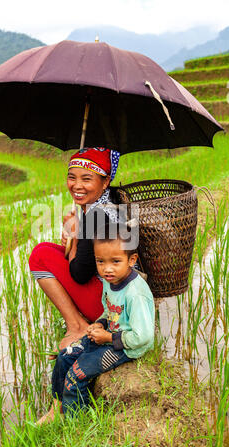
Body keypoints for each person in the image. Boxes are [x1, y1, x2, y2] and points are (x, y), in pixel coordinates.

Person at [37, 224, 155, 424]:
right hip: (110, 334)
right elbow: (109, 309)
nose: (107, 269)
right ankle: (58, 408)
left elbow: (143, 337)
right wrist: (100, 323)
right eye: (101, 261)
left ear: (131, 260)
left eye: (115, 261)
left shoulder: (136, 293)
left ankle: (76, 422)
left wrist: (108, 337)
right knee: (65, 356)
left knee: (77, 374)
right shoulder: (111, 280)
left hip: (127, 347)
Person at [28, 147, 122, 350]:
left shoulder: (97, 217)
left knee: (39, 255)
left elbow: (79, 274)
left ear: (105, 182)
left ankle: (77, 326)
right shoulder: (108, 201)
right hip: (118, 294)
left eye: (86, 179)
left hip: (109, 305)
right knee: (48, 249)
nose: (77, 185)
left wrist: (75, 237)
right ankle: (78, 321)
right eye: (72, 177)